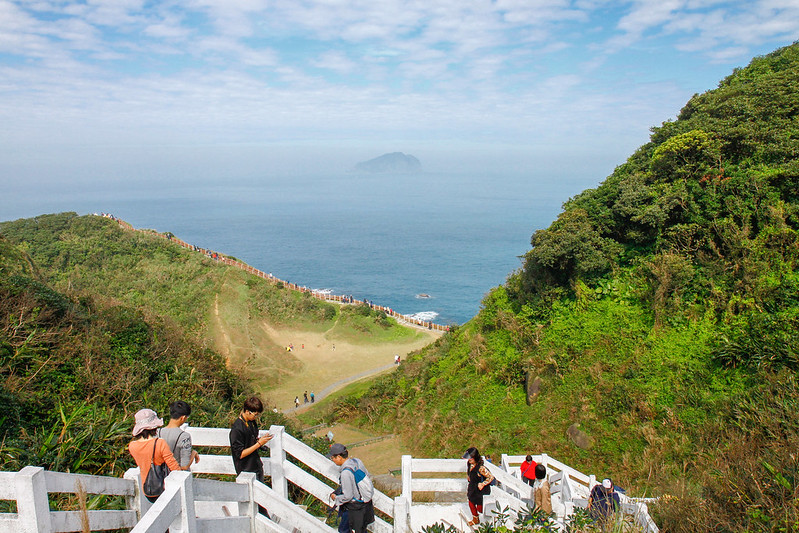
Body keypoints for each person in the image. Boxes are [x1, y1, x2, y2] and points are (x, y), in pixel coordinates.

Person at [128, 408, 188, 502]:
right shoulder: (159, 443)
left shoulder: (132, 446)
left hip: (147, 490)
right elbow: (173, 466)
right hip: (163, 488)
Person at [328, 443, 375, 533]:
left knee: (343, 530)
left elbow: (348, 496)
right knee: (361, 530)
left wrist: (336, 497)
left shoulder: (345, 473)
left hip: (353, 508)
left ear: (339, 457)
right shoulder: (357, 462)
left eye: (333, 458)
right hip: (364, 506)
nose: (332, 460)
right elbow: (367, 475)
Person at [229, 396, 273, 483]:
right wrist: (259, 444)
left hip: (256, 466)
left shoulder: (251, 422)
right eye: (255, 414)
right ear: (247, 411)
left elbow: (251, 441)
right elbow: (240, 454)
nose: (256, 417)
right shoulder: (237, 429)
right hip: (246, 471)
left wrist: (261, 440)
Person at [157, 400, 200, 470]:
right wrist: (193, 453)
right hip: (176, 476)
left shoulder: (157, 432)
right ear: (183, 417)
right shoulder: (184, 436)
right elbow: (184, 466)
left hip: (159, 476)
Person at [464, 447, 494, 526]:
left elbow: (491, 477)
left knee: (480, 508)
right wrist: (470, 477)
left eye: (471, 458)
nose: (469, 460)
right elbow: (470, 472)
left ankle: (489, 520)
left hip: (481, 490)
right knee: (471, 503)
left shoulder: (481, 468)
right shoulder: (470, 465)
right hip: (473, 488)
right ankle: (475, 519)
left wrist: (483, 483)